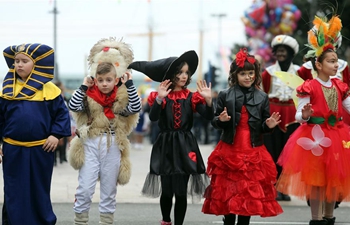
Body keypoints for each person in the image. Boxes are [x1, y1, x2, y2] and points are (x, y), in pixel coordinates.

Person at [276, 15, 350, 225]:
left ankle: (329, 217)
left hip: (336, 136)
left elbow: (349, 107)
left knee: (333, 180)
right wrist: (305, 115)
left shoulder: (340, 86)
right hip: (315, 138)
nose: (336, 65)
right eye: (331, 61)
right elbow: (299, 115)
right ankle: (316, 219)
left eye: (336, 61)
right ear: (318, 64)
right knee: (317, 182)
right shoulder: (308, 86)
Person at [129, 50, 214, 225]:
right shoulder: (159, 96)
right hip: (165, 145)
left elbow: (208, 116)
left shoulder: (192, 97)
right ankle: (166, 220)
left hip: (186, 145)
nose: (184, 76)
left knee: (181, 192)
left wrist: (209, 101)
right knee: (167, 191)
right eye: (180, 72)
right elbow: (153, 118)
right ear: (170, 75)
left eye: (186, 72)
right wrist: (160, 99)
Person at [202, 48, 283, 225]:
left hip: (253, 152)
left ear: (256, 74)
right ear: (235, 75)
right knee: (229, 194)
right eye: (243, 73)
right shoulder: (225, 95)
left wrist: (268, 126)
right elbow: (214, 123)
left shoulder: (262, 97)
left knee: (248, 197)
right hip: (230, 149)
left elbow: (262, 127)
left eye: (251, 73)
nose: (248, 77)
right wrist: (221, 120)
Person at [68, 37, 141, 225]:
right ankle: (80, 220)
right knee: (85, 187)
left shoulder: (121, 97)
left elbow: (134, 108)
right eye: (101, 80)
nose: (105, 84)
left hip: (113, 143)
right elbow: (74, 105)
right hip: (91, 142)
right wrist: (85, 85)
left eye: (109, 80)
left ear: (116, 79)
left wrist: (130, 85)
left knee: (109, 189)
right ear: (95, 79)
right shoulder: (89, 96)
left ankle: (106, 222)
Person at [0, 43, 71, 225]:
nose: (19, 65)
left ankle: (42, 221)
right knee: (14, 188)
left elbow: (62, 115)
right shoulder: (6, 91)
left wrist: (55, 135)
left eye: (24, 61)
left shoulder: (51, 90)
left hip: (41, 150)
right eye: (16, 61)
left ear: (37, 65)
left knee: (39, 188)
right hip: (12, 150)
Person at [261, 34, 300, 201]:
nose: (281, 54)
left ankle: (284, 187)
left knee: (289, 153)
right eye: (278, 51)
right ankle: (275, 186)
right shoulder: (268, 73)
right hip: (273, 114)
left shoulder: (299, 72)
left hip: (293, 115)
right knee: (273, 151)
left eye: (284, 51)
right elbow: (262, 96)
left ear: (291, 53)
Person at [54, 80, 69, 165]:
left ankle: (62, 157)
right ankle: (55, 160)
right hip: (58, 124)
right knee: (56, 142)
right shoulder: (55, 98)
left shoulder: (64, 97)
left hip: (64, 123)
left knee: (63, 142)